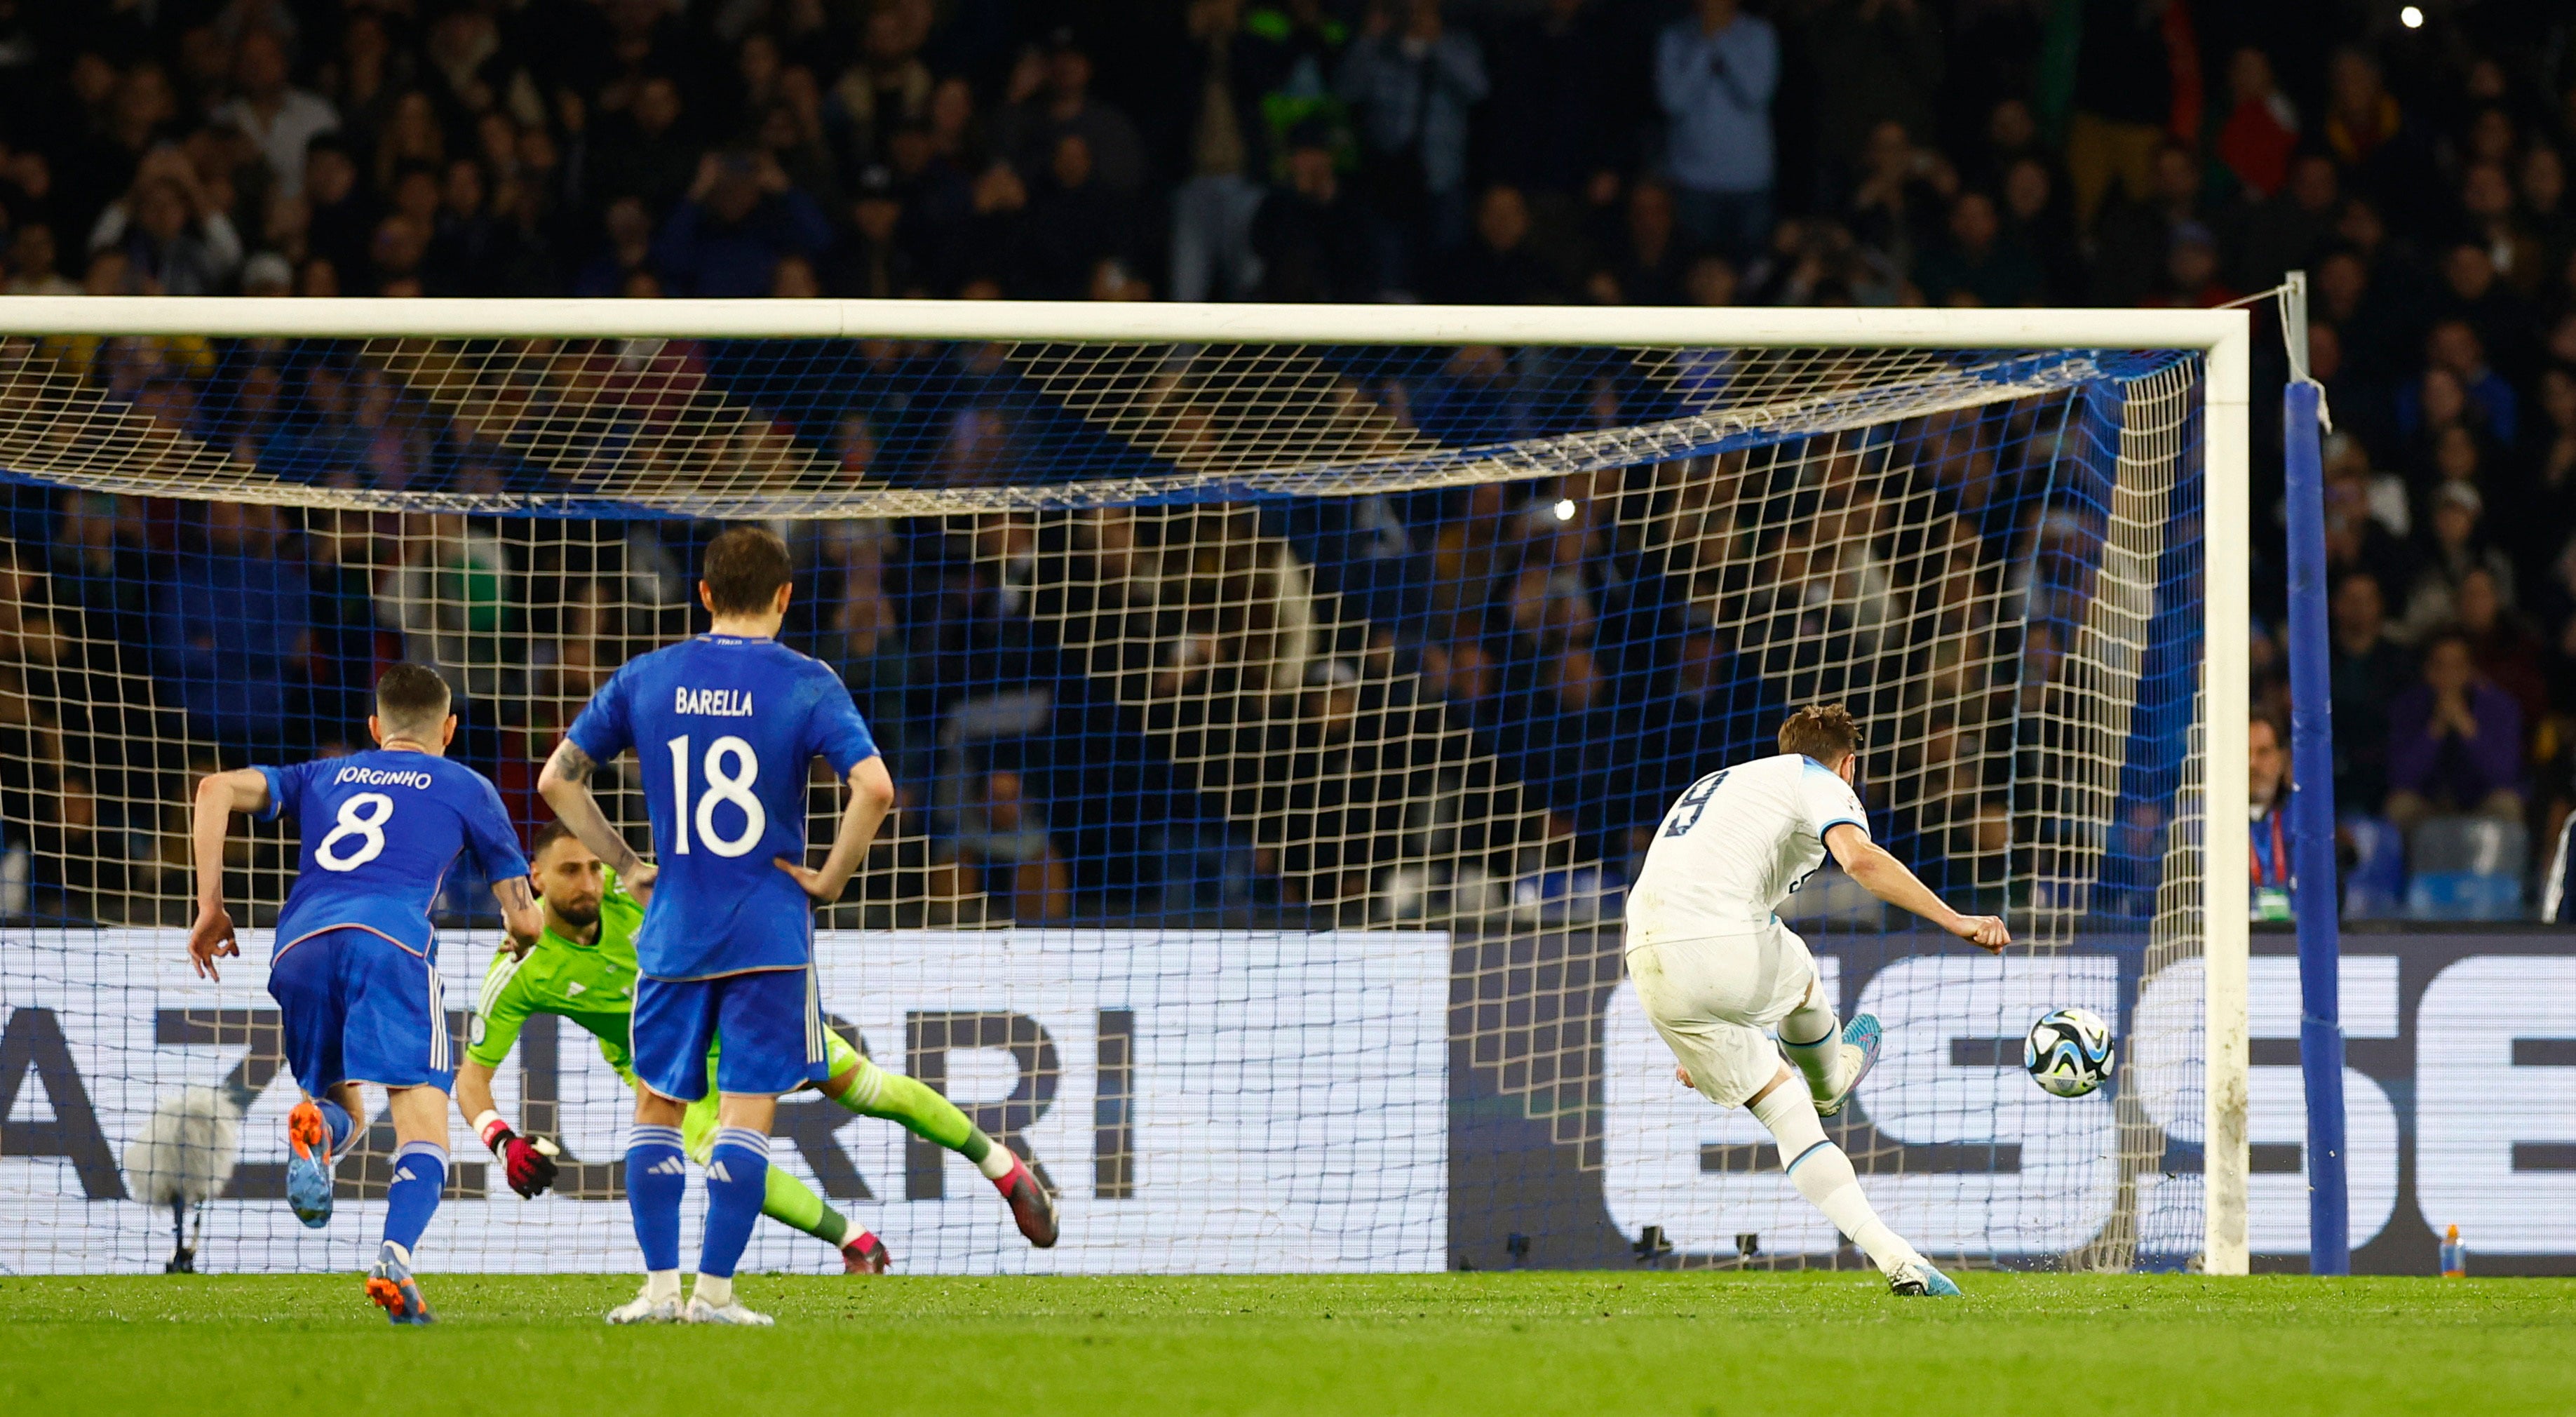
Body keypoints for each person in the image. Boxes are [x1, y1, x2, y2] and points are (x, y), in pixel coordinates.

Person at [537, 527, 912, 1325]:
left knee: (658, 1106)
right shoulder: (808, 682)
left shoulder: (648, 676)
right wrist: (831, 878)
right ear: (784, 596)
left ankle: (657, 1290)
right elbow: (874, 788)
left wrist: (627, 864)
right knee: (746, 1113)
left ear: (703, 594)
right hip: (770, 931)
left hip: (676, 926)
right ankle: (715, 1294)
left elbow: (557, 781)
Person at [454, 822, 1055, 1273]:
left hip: (740, 1012)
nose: (588, 881)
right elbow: (470, 1080)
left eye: (592, 867)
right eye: (569, 871)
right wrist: (501, 1141)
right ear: (534, 878)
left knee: (863, 1088)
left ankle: (1002, 1169)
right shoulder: (522, 969)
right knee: (724, 1163)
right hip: (667, 1065)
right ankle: (858, 1244)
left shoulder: (627, 888)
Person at [185, 664, 541, 1324]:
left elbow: (212, 789)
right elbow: (524, 919)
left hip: (299, 947)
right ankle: (394, 1258)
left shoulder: (319, 776)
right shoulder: (467, 785)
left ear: (376, 729)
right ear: (450, 729)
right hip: (391, 944)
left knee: (339, 1105)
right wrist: (524, 936)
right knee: (423, 1123)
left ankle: (318, 1131)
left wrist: (210, 905)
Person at [1624, 703, 2007, 1298]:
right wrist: (1954, 919)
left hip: (1647, 960)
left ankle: (1899, 1260)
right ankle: (1832, 1079)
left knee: (1784, 1114)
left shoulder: (1720, 783)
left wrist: (1703, 1024)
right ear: (1848, 765)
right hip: (1717, 943)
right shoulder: (1817, 779)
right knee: (1801, 974)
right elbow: (1858, 859)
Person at [2384, 629, 2525, 831]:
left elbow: (2504, 775)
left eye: (2457, 667)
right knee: (2399, 806)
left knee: (2508, 804)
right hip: (2428, 806)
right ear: (2427, 670)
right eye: (2440, 667)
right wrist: (2434, 731)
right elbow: (2400, 777)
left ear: (2470, 670)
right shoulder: (2407, 707)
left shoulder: (2499, 707)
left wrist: (2469, 730)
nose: (2448, 676)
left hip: (2478, 803)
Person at [2248, 715, 2292, 921]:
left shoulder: (2307, 825)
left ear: (2283, 759)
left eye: (2263, 752)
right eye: (2244, 752)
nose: (2252, 763)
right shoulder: (2198, 830)